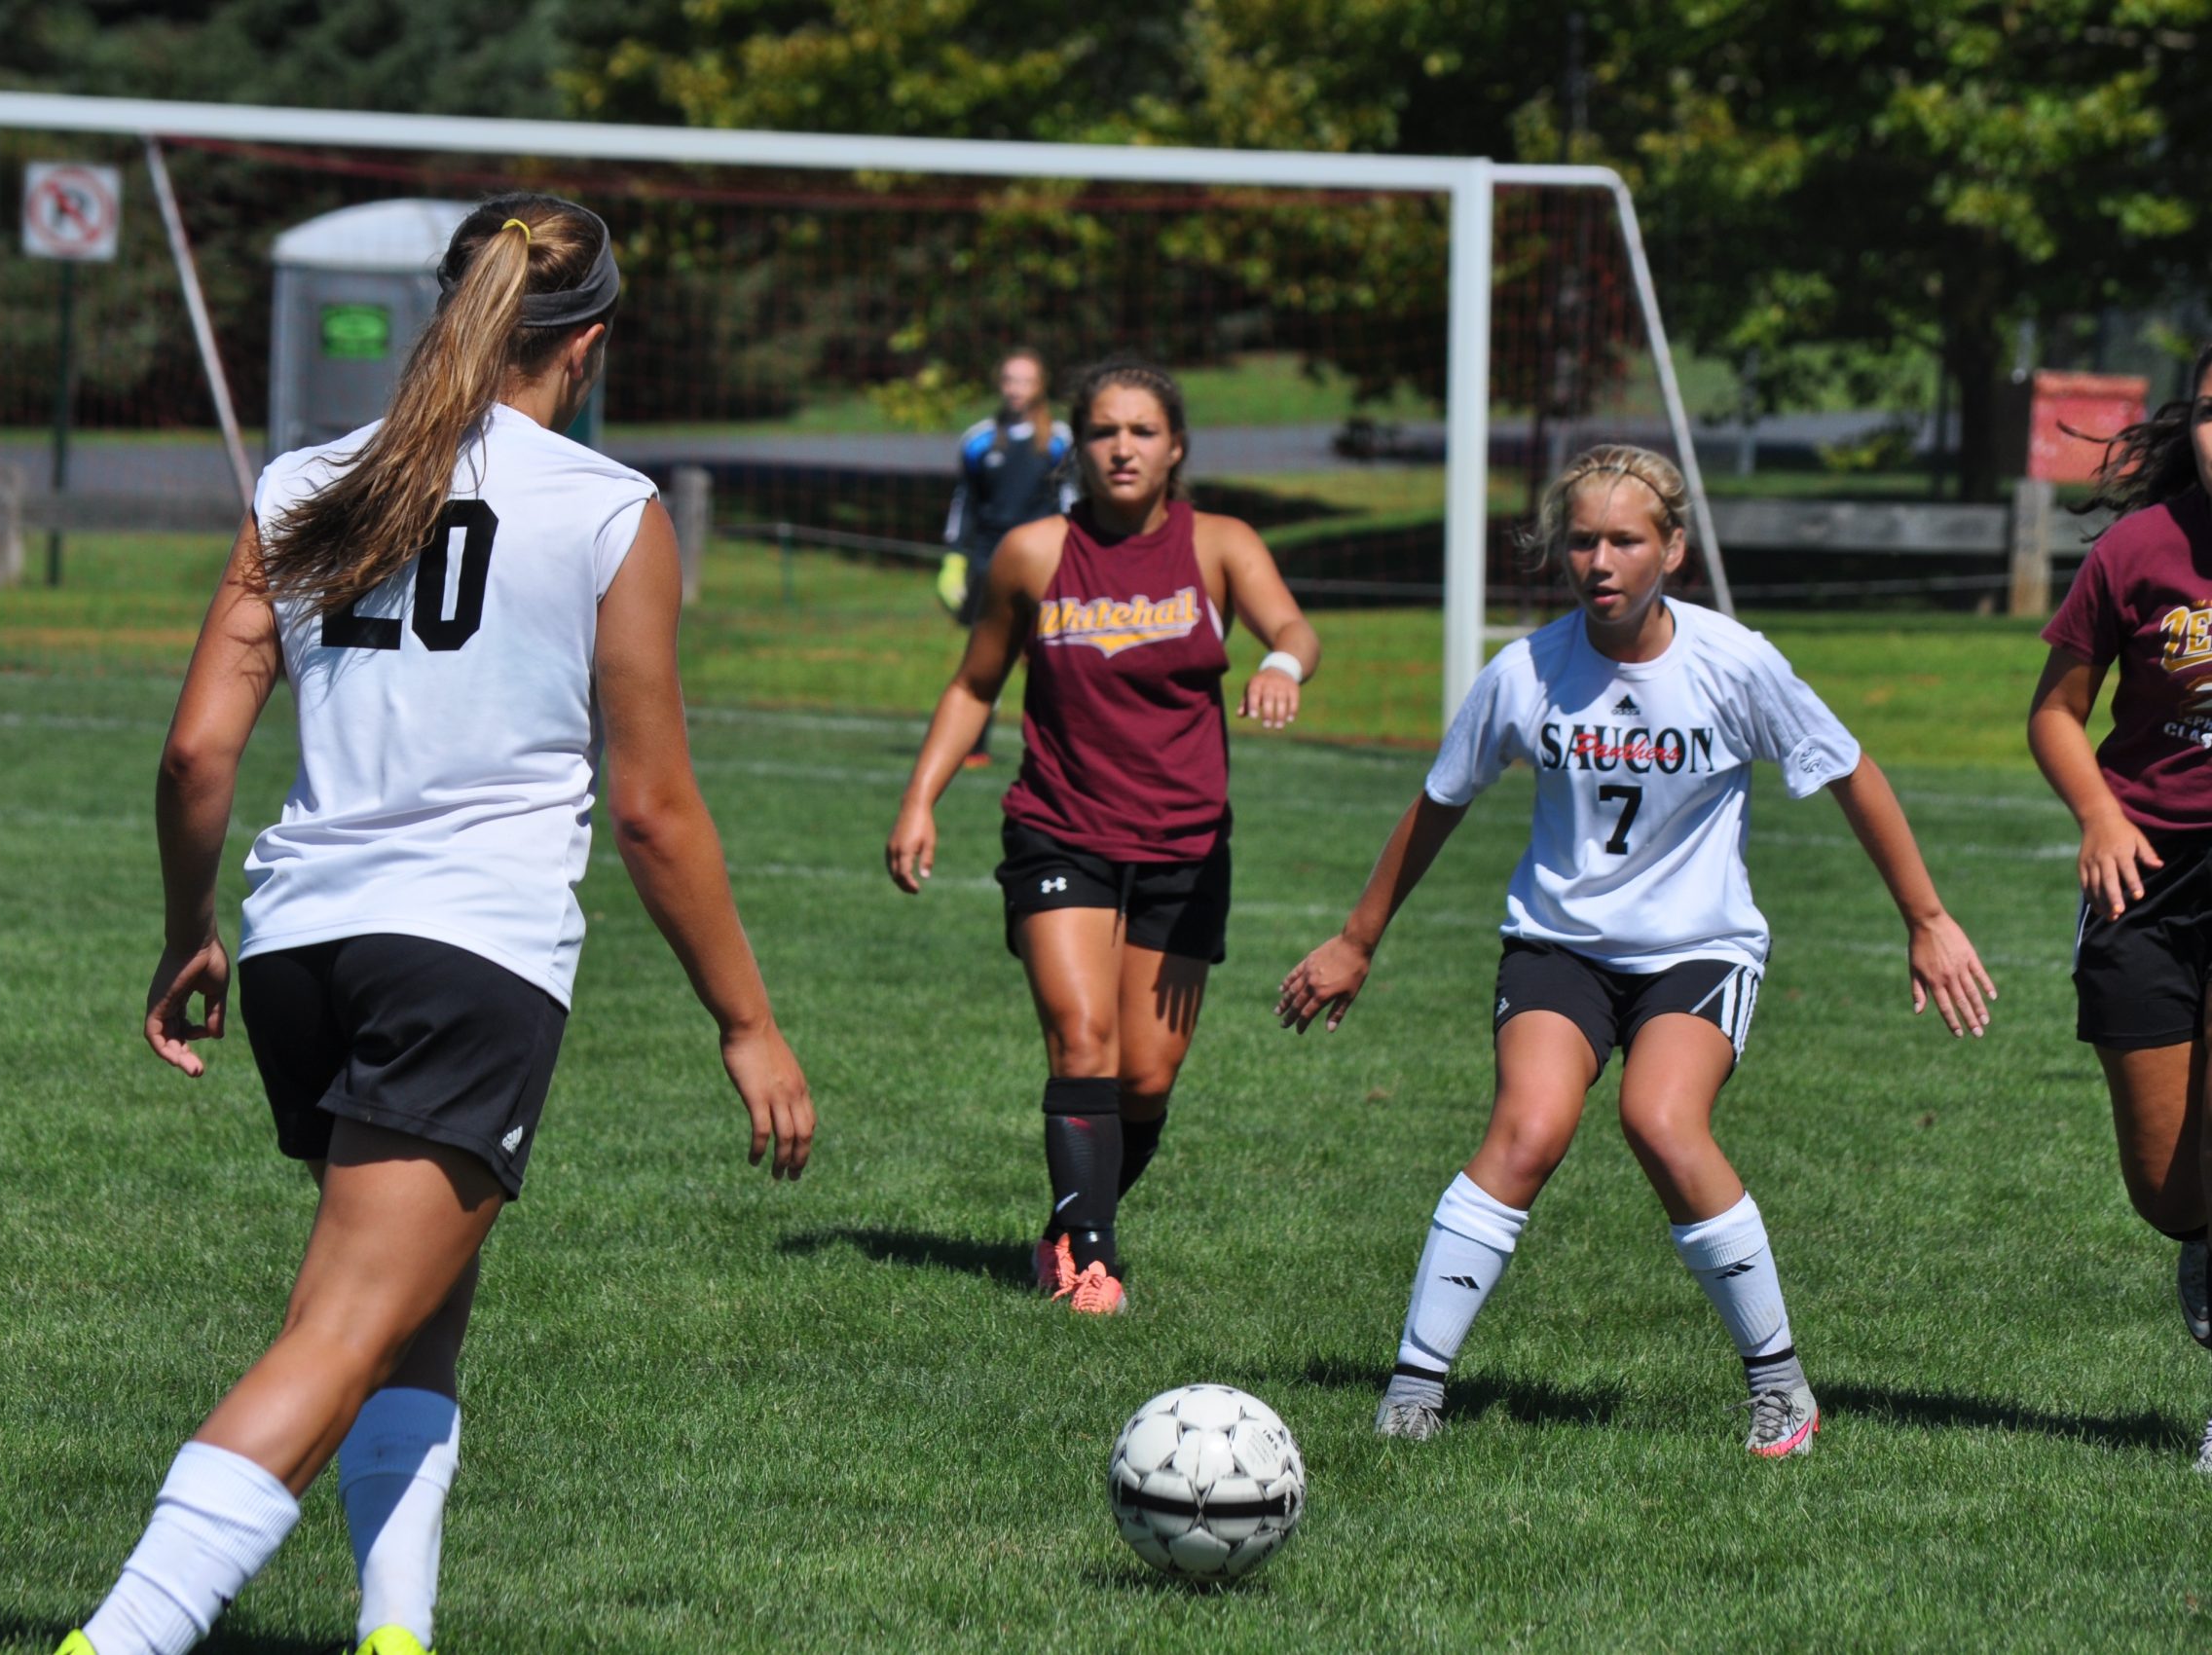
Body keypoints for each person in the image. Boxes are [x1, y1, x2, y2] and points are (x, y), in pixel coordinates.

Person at [53, 196, 815, 1655]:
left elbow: (196, 754)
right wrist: (747, 1021)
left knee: (416, 1307)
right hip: (465, 956)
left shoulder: (304, 480)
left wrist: (186, 927)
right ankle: (122, 1636)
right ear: (588, 342)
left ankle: (397, 1633)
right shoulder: (608, 509)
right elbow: (655, 811)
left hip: (300, 950)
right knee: (342, 1329)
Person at [1275, 443, 1994, 1455]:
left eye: (1623, 540)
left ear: (1672, 550)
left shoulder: (1734, 663)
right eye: (1580, 541)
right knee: (1526, 1131)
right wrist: (1357, 939)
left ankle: (1780, 1386)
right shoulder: (1523, 671)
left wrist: (1926, 918)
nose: (1599, 562)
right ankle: (1413, 1390)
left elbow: (1849, 772)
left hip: (1698, 949)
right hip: (1558, 943)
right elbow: (1439, 801)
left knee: (1659, 1120)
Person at [888, 358, 1320, 1313]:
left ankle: (1067, 1221)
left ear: (1176, 447)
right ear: (1076, 446)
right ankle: (1092, 1261)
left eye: (1142, 431)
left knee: (1146, 1077)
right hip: (1060, 831)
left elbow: (1293, 627)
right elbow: (974, 685)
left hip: (1185, 844)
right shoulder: (1032, 553)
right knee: (1082, 1042)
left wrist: (1280, 664)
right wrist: (920, 798)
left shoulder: (1220, 544)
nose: (1123, 448)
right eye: (1103, 431)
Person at [2027, 342, 2212, 1468]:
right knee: (2166, 1185)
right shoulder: (2138, 550)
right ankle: (2198, 1232)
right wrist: (2098, 814)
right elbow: (2054, 711)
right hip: (2144, 871)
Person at [938, 347, 1073, 767]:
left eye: (1026, 380)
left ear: (1041, 386)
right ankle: (974, 746)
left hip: (1043, 564)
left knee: (1048, 658)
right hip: (988, 562)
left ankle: (1060, 747)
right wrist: (954, 558)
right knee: (988, 655)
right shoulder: (977, 440)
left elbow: (1071, 502)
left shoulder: (1060, 441)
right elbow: (965, 502)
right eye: (1010, 380)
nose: (1017, 389)